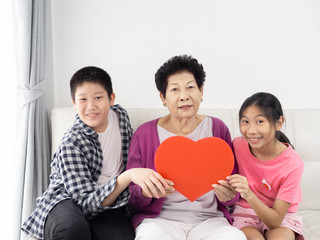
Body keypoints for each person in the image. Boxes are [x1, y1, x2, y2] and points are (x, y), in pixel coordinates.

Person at [21, 66, 167, 240]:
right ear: (74, 103)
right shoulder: (71, 142)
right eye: (82, 99)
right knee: (73, 229)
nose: (91, 106)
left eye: (98, 97)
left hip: (110, 203)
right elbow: (85, 203)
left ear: (111, 98)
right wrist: (128, 176)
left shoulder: (120, 117)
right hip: (68, 199)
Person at [126, 55, 246, 240]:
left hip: (210, 221)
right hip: (160, 221)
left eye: (190, 87)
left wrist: (229, 194)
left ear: (201, 91)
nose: (184, 96)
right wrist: (146, 191)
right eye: (175, 89)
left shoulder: (217, 129)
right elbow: (132, 197)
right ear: (163, 97)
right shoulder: (144, 134)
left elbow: (232, 189)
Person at [227, 92, 305, 240]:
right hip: (245, 213)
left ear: (279, 123)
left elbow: (275, 221)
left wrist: (248, 193)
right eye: (245, 122)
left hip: (280, 218)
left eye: (260, 121)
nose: (251, 131)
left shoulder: (293, 164)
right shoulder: (237, 146)